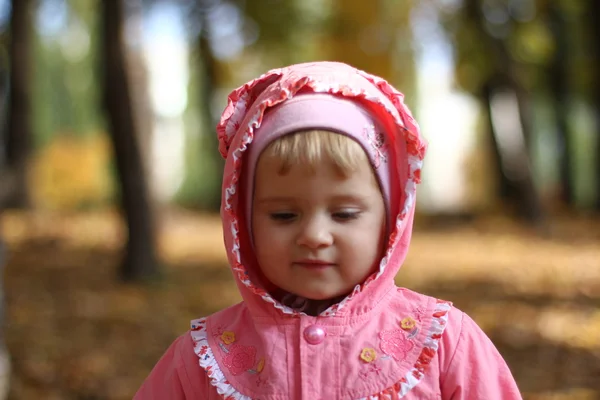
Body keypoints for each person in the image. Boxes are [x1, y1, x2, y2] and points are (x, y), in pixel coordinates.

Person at [134, 61, 522, 399]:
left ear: (390, 220)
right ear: (242, 223)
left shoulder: (442, 343)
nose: (315, 236)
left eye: (345, 214)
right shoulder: (204, 360)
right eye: (284, 215)